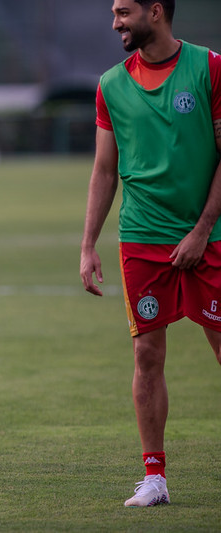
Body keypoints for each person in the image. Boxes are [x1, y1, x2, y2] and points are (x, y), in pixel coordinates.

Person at [80, 0, 221, 507]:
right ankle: (155, 478)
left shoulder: (208, 67)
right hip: (142, 238)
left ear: (156, 11)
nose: (115, 21)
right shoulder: (110, 85)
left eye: (123, 11)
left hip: (210, 236)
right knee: (146, 354)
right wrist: (88, 244)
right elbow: (103, 170)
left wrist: (203, 229)